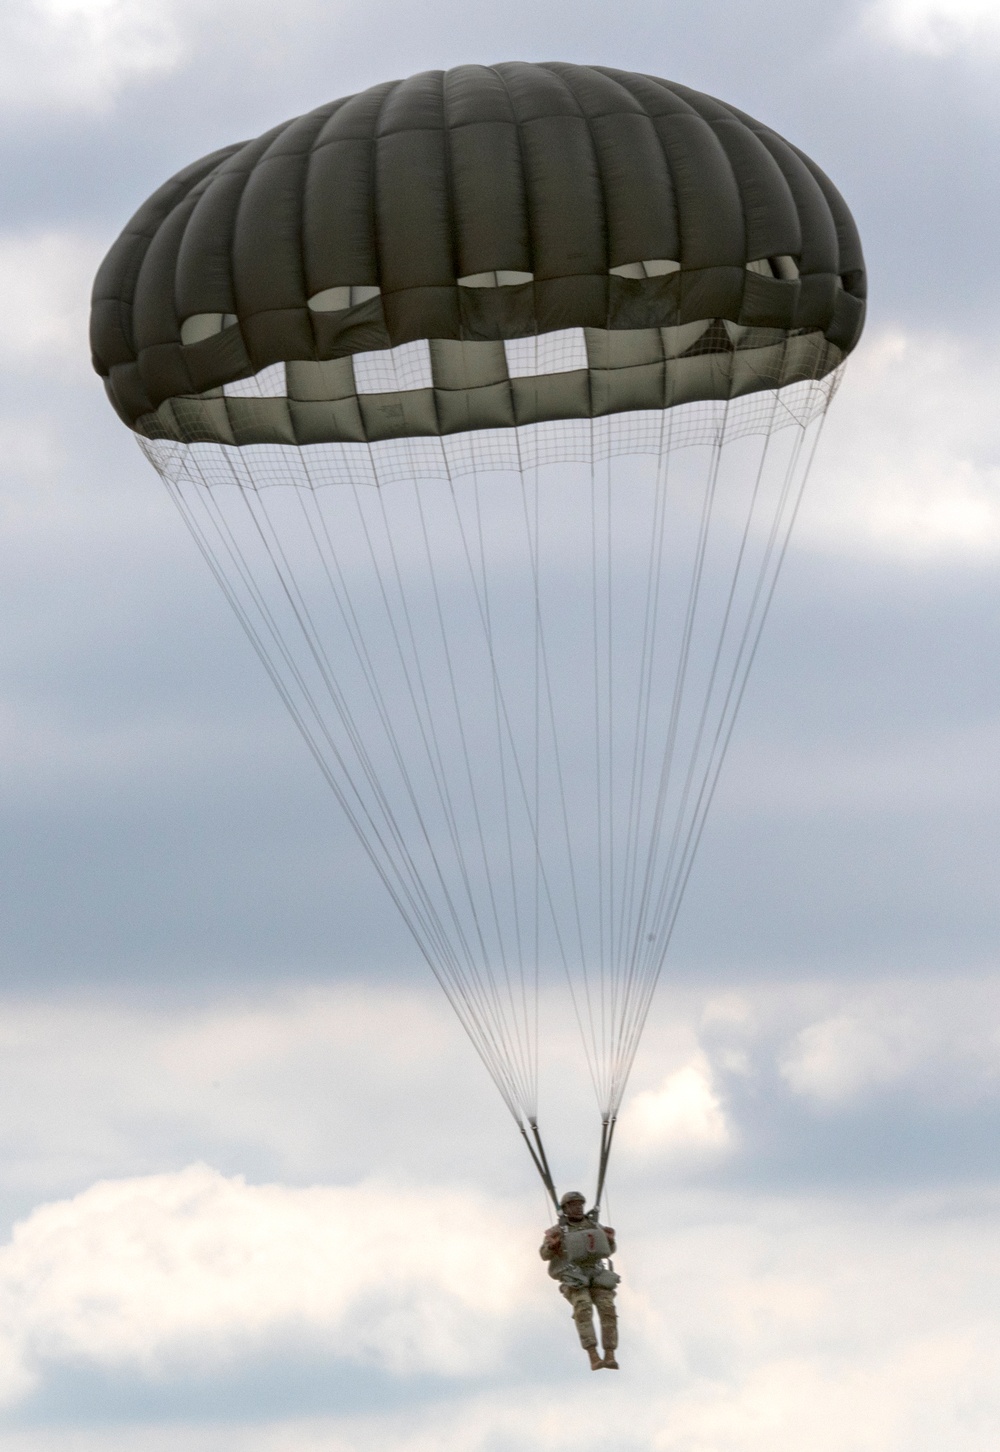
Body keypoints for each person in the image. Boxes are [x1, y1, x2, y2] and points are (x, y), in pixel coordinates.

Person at [540, 1190, 620, 1370]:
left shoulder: (594, 1225)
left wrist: (610, 1240)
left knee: (608, 1309)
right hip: (574, 1277)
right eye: (573, 1205)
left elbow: (608, 1248)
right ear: (565, 1208)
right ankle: (593, 1355)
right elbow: (544, 1254)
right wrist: (552, 1246)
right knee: (583, 1308)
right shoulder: (557, 1231)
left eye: (580, 1205)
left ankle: (610, 1354)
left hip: (597, 1274)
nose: (578, 1208)